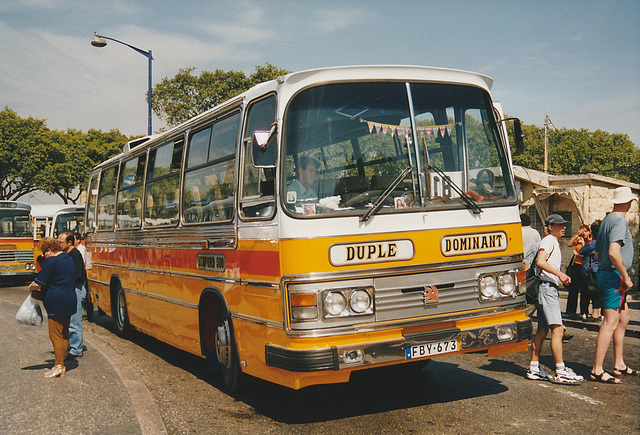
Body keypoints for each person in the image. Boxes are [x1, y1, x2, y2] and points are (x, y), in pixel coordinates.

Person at [526, 214, 583, 384]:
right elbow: (540, 262)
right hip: (547, 289)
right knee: (558, 329)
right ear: (550, 227)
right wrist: (560, 274)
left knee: (542, 330)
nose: (563, 227)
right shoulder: (549, 240)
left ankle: (534, 368)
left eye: (564, 224)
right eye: (559, 225)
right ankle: (560, 370)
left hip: (546, 288)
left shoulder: (552, 241)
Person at [590, 187, 638, 383]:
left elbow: (597, 252)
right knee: (609, 323)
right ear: (630, 202)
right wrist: (625, 277)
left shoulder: (607, 219)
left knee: (623, 317)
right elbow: (613, 252)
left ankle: (619, 363)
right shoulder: (619, 221)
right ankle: (597, 369)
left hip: (606, 273)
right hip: (614, 276)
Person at [28, 237, 77, 379]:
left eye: (44, 252)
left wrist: (30, 287)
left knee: (55, 335)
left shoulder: (51, 261)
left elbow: (38, 284)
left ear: (49, 250)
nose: (44, 256)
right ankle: (62, 359)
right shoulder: (67, 258)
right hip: (69, 298)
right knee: (64, 333)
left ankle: (58, 366)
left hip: (56, 301)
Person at [58, 232, 87, 359]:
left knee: (75, 320)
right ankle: (72, 346)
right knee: (71, 320)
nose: (59, 244)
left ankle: (76, 349)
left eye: (61, 242)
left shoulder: (74, 254)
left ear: (69, 243)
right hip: (71, 289)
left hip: (76, 289)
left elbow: (78, 275)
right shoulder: (67, 254)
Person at [565, 224, 592, 318]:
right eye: (582, 231)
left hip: (585, 266)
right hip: (576, 266)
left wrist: (577, 254)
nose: (583, 233)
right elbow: (569, 244)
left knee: (585, 289)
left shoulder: (590, 242)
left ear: (589, 232)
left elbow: (588, 255)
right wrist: (577, 235)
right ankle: (570, 310)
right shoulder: (579, 240)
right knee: (573, 288)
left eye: (585, 231)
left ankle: (584, 311)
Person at [579, 220, 602, 321]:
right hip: (598, 270)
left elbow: (582, 251)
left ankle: (591, 314)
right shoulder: (604, 243)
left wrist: (584, 243)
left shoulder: (593, 244)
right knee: (598, 292)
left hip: (590, 271)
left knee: (588, 292)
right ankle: (598, 313)